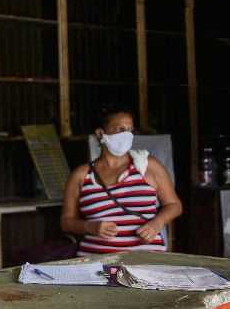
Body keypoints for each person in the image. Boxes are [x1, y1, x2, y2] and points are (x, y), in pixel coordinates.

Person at [61, 106, 183, 256]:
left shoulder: (148, 166)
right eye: (120, 129)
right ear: (100, 134)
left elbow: (174, 205)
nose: (127, 135)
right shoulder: (81, 175)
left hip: (147, 263)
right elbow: (67, 222)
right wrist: (89, 226)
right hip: (95, 264)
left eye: (130, 130)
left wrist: (157, 223)